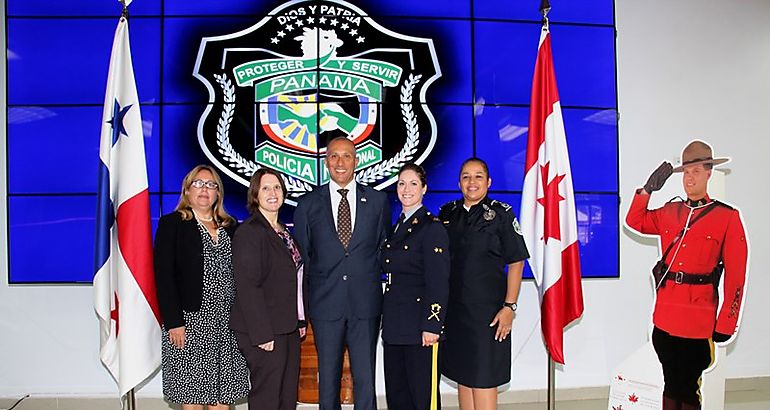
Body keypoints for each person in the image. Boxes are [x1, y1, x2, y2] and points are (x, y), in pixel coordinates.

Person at [625, 140, 748, 410]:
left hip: (698, 319)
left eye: (696, 171)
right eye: (686, 172)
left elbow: (736, 276)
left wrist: (727, 321)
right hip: (666, 315)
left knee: (688, 387)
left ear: (708, 173)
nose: (689, 178)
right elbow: (635, 221)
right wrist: (646, 190)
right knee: (671, 383)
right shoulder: (671, 211)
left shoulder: (727, 217)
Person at [294, 137, 390, 410]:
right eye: (334, 156)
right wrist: (304, 309)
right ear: (326, 163)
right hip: (325, 306)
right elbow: (303, 259)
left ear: (356, 160)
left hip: (366, 306)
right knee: (328, 381)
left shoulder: (378, 201)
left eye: (346, 156)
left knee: (365, 380)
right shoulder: (308, 204)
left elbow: (383, 249)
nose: (340, 162)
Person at [154, 164, 249, 410]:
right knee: (194, 398)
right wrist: (173, 322)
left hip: (228, 325)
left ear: (218, 193)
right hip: (190, 323)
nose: (204, 189)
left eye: (211, 185)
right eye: (198, 183)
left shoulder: (231, 226)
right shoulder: (172, 224)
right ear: (187, 191)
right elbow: (164, 276)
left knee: (222, 399)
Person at [439, 157, 529, 410]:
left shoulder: (501, 214)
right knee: (463, 375)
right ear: (459, 182)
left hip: (488, 313)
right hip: (455, 312)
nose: (472, 182)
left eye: (478, 176)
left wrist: (509, 307)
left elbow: (517, 262)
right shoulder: (448, 213)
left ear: (488, 182)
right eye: (466, 176)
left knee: (484, 378)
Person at [230, 168, 308, 410]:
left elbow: (295, 279)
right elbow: (247, 286)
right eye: (265, 188)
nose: (272, 193)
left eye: (276, 187)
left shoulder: (284, 232)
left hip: (288, 327)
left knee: (286, 397)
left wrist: (301, 319)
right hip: (264, 332)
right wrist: (262, 334)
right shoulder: (250, 231)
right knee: (267, 398)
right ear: (255, 194)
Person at [381, 163, 450, 410]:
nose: (406, 189)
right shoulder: (397, 226)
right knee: (398, 396)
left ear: (424, 189)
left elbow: (439, 281)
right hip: (394, 326)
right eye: (401, 183)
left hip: (421, 329)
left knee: (423, 398)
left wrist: (433, 324)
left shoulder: (432, 228)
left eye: (413, 184)